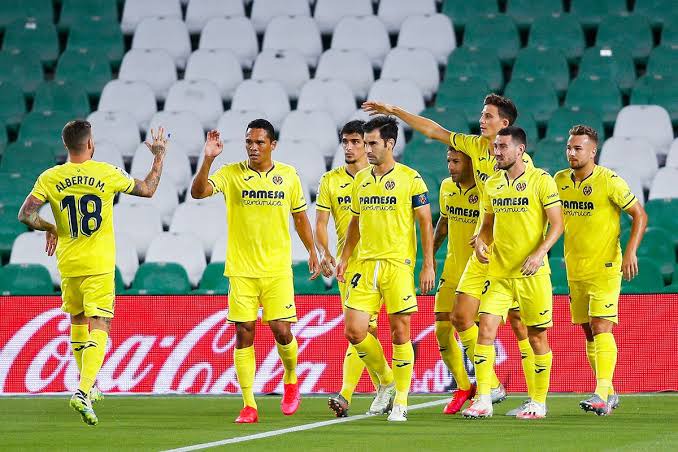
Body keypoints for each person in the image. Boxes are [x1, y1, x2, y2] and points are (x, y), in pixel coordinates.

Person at [363, 95, 535, 414]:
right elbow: (433, 130)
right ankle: (480, 387)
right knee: (455, 320)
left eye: (488, 116)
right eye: (481, 114)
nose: (481, 120)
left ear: (504, 124)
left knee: (519, 324)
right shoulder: (473, 146)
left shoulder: (519, 165)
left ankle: (531, 395)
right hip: (472, 254)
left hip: (503, 253)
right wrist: (393, 111)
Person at [18, 120, 168, 425]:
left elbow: (26, 214)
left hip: (68, 265)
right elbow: (148, 188)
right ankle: (83, 391)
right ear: (90, 144)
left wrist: (50, 227)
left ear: (66, 145)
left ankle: (90, 385)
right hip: (98, 264)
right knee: (100, 323)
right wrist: (158, 156)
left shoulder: (50, 177)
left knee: (77, 321)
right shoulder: (106, 172)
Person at [190, 120, 321, 424]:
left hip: (277, 270)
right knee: (243, 331)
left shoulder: (288, 176)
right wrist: (208, 159)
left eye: (260, 142)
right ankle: (249, 404)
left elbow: (300, 217)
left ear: (273, 145)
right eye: (249, 142)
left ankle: (291, 378)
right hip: (241, 271)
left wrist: (312, 250)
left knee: (281, 330)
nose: (253, 147)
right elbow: (198, 192)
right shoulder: (231, 174)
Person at [336, 116, 435, 422]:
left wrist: (428, 264)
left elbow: (425, 222)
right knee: (354, 331)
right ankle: (387, 380)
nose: (367, 149)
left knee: (400, 333)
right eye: (365, 143)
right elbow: (355, 222)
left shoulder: (411, 179)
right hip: (365, 265)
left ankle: (401, 401)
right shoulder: (361, 180)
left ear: (390, 144)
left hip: (397, 265)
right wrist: (345, 256)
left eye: (372, 143)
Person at [462, 126, 563, 420]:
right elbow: (488, 225)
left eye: (503, 147)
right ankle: (484, 399)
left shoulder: (541, 180)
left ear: (520, 150)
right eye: (495, 147)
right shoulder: (493, 183)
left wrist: (539, 253)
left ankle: (538, 402)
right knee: (485, 329)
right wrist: (481, 242)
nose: (497, 152)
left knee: (537, 337)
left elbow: (558, 224)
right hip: (499, 273)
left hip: (532, 274)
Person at [554, 125, 647, 415]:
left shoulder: (609, 181)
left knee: (601, 326)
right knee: (589, 332)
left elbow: (639, 214)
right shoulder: (559, 180)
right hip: (575, 268)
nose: (571, 153)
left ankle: (600, 392)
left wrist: (630, 251)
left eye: (578, 148)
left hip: (605, 266)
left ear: (593, 151)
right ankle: (609, 392)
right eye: (569, 147)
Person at [315, 120, 382, 417]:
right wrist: (325, 252)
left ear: (366, 145)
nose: (349, 147)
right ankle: (385, 388)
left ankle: (347, 393)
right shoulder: (330, 180)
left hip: (380, 261)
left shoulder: (379, 177)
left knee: (363, 329)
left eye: (356, 141)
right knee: (364, 332)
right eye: (346, 141)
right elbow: (320, 223)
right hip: (348, 265)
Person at [432, 146, 480, 414]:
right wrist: (430, 255)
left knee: (480, 331)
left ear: (472, 163)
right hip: (452, 268)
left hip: (479, 270)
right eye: (448, 161)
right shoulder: (446, 187)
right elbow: (444, 222)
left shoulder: (485, 190)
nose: (451, 166)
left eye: (456, 161)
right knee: (442, 329)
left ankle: (489, 385)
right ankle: (463, 386)